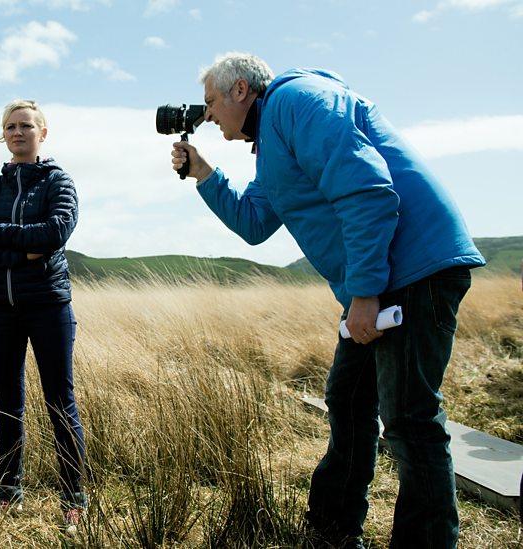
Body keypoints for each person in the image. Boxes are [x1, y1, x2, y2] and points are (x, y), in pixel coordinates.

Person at [170, 53, 484, 548]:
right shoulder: (271, 142)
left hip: (412, 267)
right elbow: (254, 223)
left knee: (408, 418)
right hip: (382, 274)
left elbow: (367, 190)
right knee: (349, 399)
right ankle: (333, 529)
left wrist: (363, 294)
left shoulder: (298, 101)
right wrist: (205, 173)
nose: (205, 114)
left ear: (239, 91)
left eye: (210, 102)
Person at [0, 100, 87, 530]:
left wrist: (4, 235)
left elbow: (56, 231)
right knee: (8, 404)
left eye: (26, 126)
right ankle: (8, 491)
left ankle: (74, 496)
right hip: (0, 310)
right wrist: (23, 253)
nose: (18, 133)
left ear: (42, 133)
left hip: (49, 306)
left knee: (59, 402)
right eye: (10, 127)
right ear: (4, 135)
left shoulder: (58, 181)